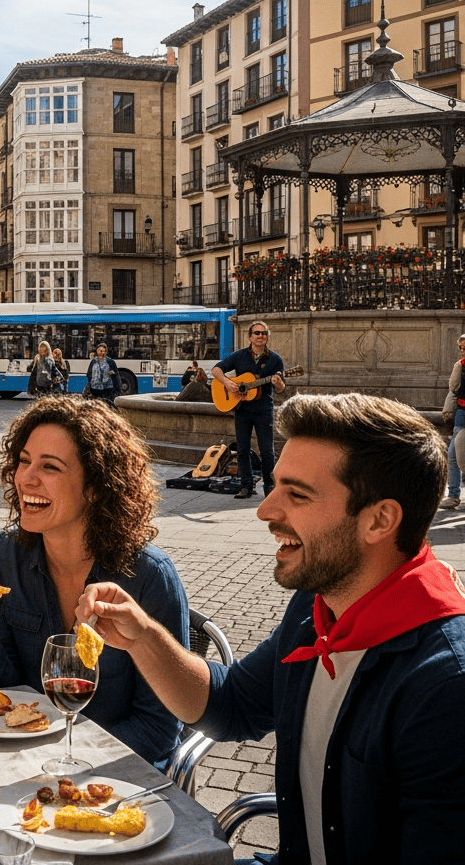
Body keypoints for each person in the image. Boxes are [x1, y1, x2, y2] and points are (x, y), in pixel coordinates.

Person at [79, 393, 465, 865]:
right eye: (275, 485)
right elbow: (229, 706)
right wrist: (143, 636)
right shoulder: (318, 605)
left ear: (380, 520)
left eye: (297, 494)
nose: (265, 511)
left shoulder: (445, 686)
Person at [0, 397, 189, 768]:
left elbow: (158, 728)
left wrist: (65, 760)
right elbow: (0, 701)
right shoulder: (3, 555)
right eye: (25, 461)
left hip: (117, 778)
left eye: (50, 467)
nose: (26, 478)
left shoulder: (148, 576)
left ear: (95, 487)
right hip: (28, 767)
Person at [212, 321, 286, 500]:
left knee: (267, 450)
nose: (261, 336)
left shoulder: (275, 359)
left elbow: (281, 389)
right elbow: (216, 370)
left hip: (263, 410)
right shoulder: (239, 356)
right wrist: (228, 383)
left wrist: (278, 383)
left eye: (264, 333)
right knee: (243, 449)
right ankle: (246, 485)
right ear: (250, 337)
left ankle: (269, 485)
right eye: (257, 333)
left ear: (267, 336)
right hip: (243, 409)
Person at [439, 333, 465, 509]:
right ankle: (453, 494)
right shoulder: (461, 366)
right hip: (462, 412)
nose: (462, 351)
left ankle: (454, 494)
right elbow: (453, 388)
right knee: (454, 454)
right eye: (461, 348)